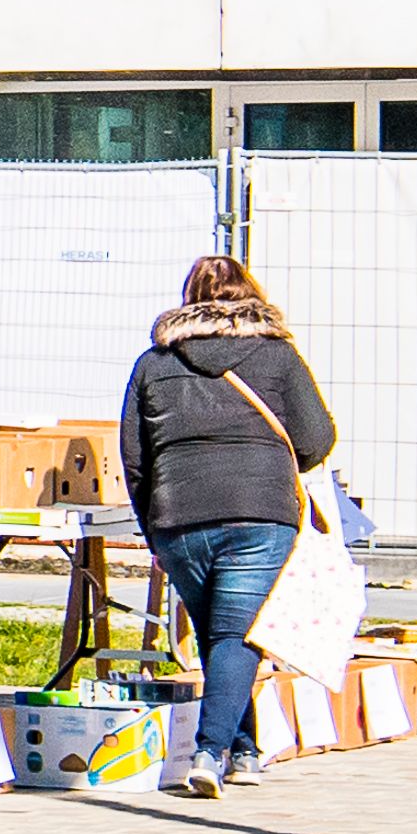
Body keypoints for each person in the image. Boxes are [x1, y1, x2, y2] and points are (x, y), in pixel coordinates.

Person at [119, 255, 334, 802]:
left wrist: (154, 531)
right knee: (237, 636)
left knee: (222, 638)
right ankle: (210, 753)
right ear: (250, 295)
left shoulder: (153, 363)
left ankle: (245, 752)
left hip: (179, 518)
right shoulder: (278, 356)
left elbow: (134, 458)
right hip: (260, 513)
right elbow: (316, 440)